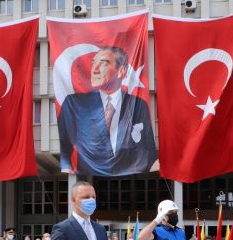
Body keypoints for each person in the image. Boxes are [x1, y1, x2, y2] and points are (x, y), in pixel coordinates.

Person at [58, 47, 158, 176]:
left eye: (103, 63)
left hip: (130, 179)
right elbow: (64, 145)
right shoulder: (75, 103)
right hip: (89, 178)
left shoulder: (138, 105)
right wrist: (66, 167)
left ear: (121, 71)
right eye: (93, 63)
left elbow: (148, 149)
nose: (95, 69)